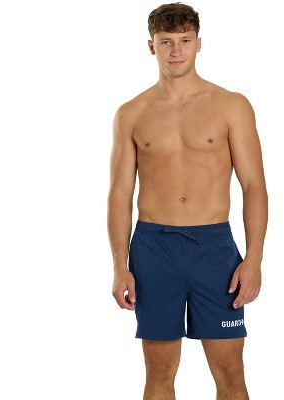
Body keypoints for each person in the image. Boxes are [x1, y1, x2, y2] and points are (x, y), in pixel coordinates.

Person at [107, 3, 268, 399]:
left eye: (184, 40)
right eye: (166, 42)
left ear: (199, 44)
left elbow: (253, 185)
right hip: (153, 248)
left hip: (214, 248)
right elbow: (120, 194)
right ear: (152, 46)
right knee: (159, 374)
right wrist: (119, 266)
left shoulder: (231, 105)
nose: (176, 51)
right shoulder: (131, 113)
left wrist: (254, 259)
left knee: (231, 373)